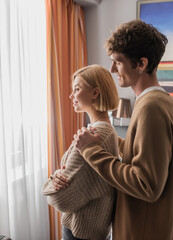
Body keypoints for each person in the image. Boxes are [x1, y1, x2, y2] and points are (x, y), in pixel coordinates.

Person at [71, 20, 173, 239]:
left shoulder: (151, 107)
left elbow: (146, 185)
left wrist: (92, 151)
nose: (112, 69)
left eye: (118, 62)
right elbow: (145, 154)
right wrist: (111, 138)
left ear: (141, 64)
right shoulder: (160, 102)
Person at [42, 64, 120, 240]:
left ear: (95, 93)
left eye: (77, 89)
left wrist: (51, 182)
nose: (71, 96)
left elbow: (59, 199)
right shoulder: (104, 130)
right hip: (93, 231)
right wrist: (56, 176)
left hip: (81, 234)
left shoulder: (95, 135)